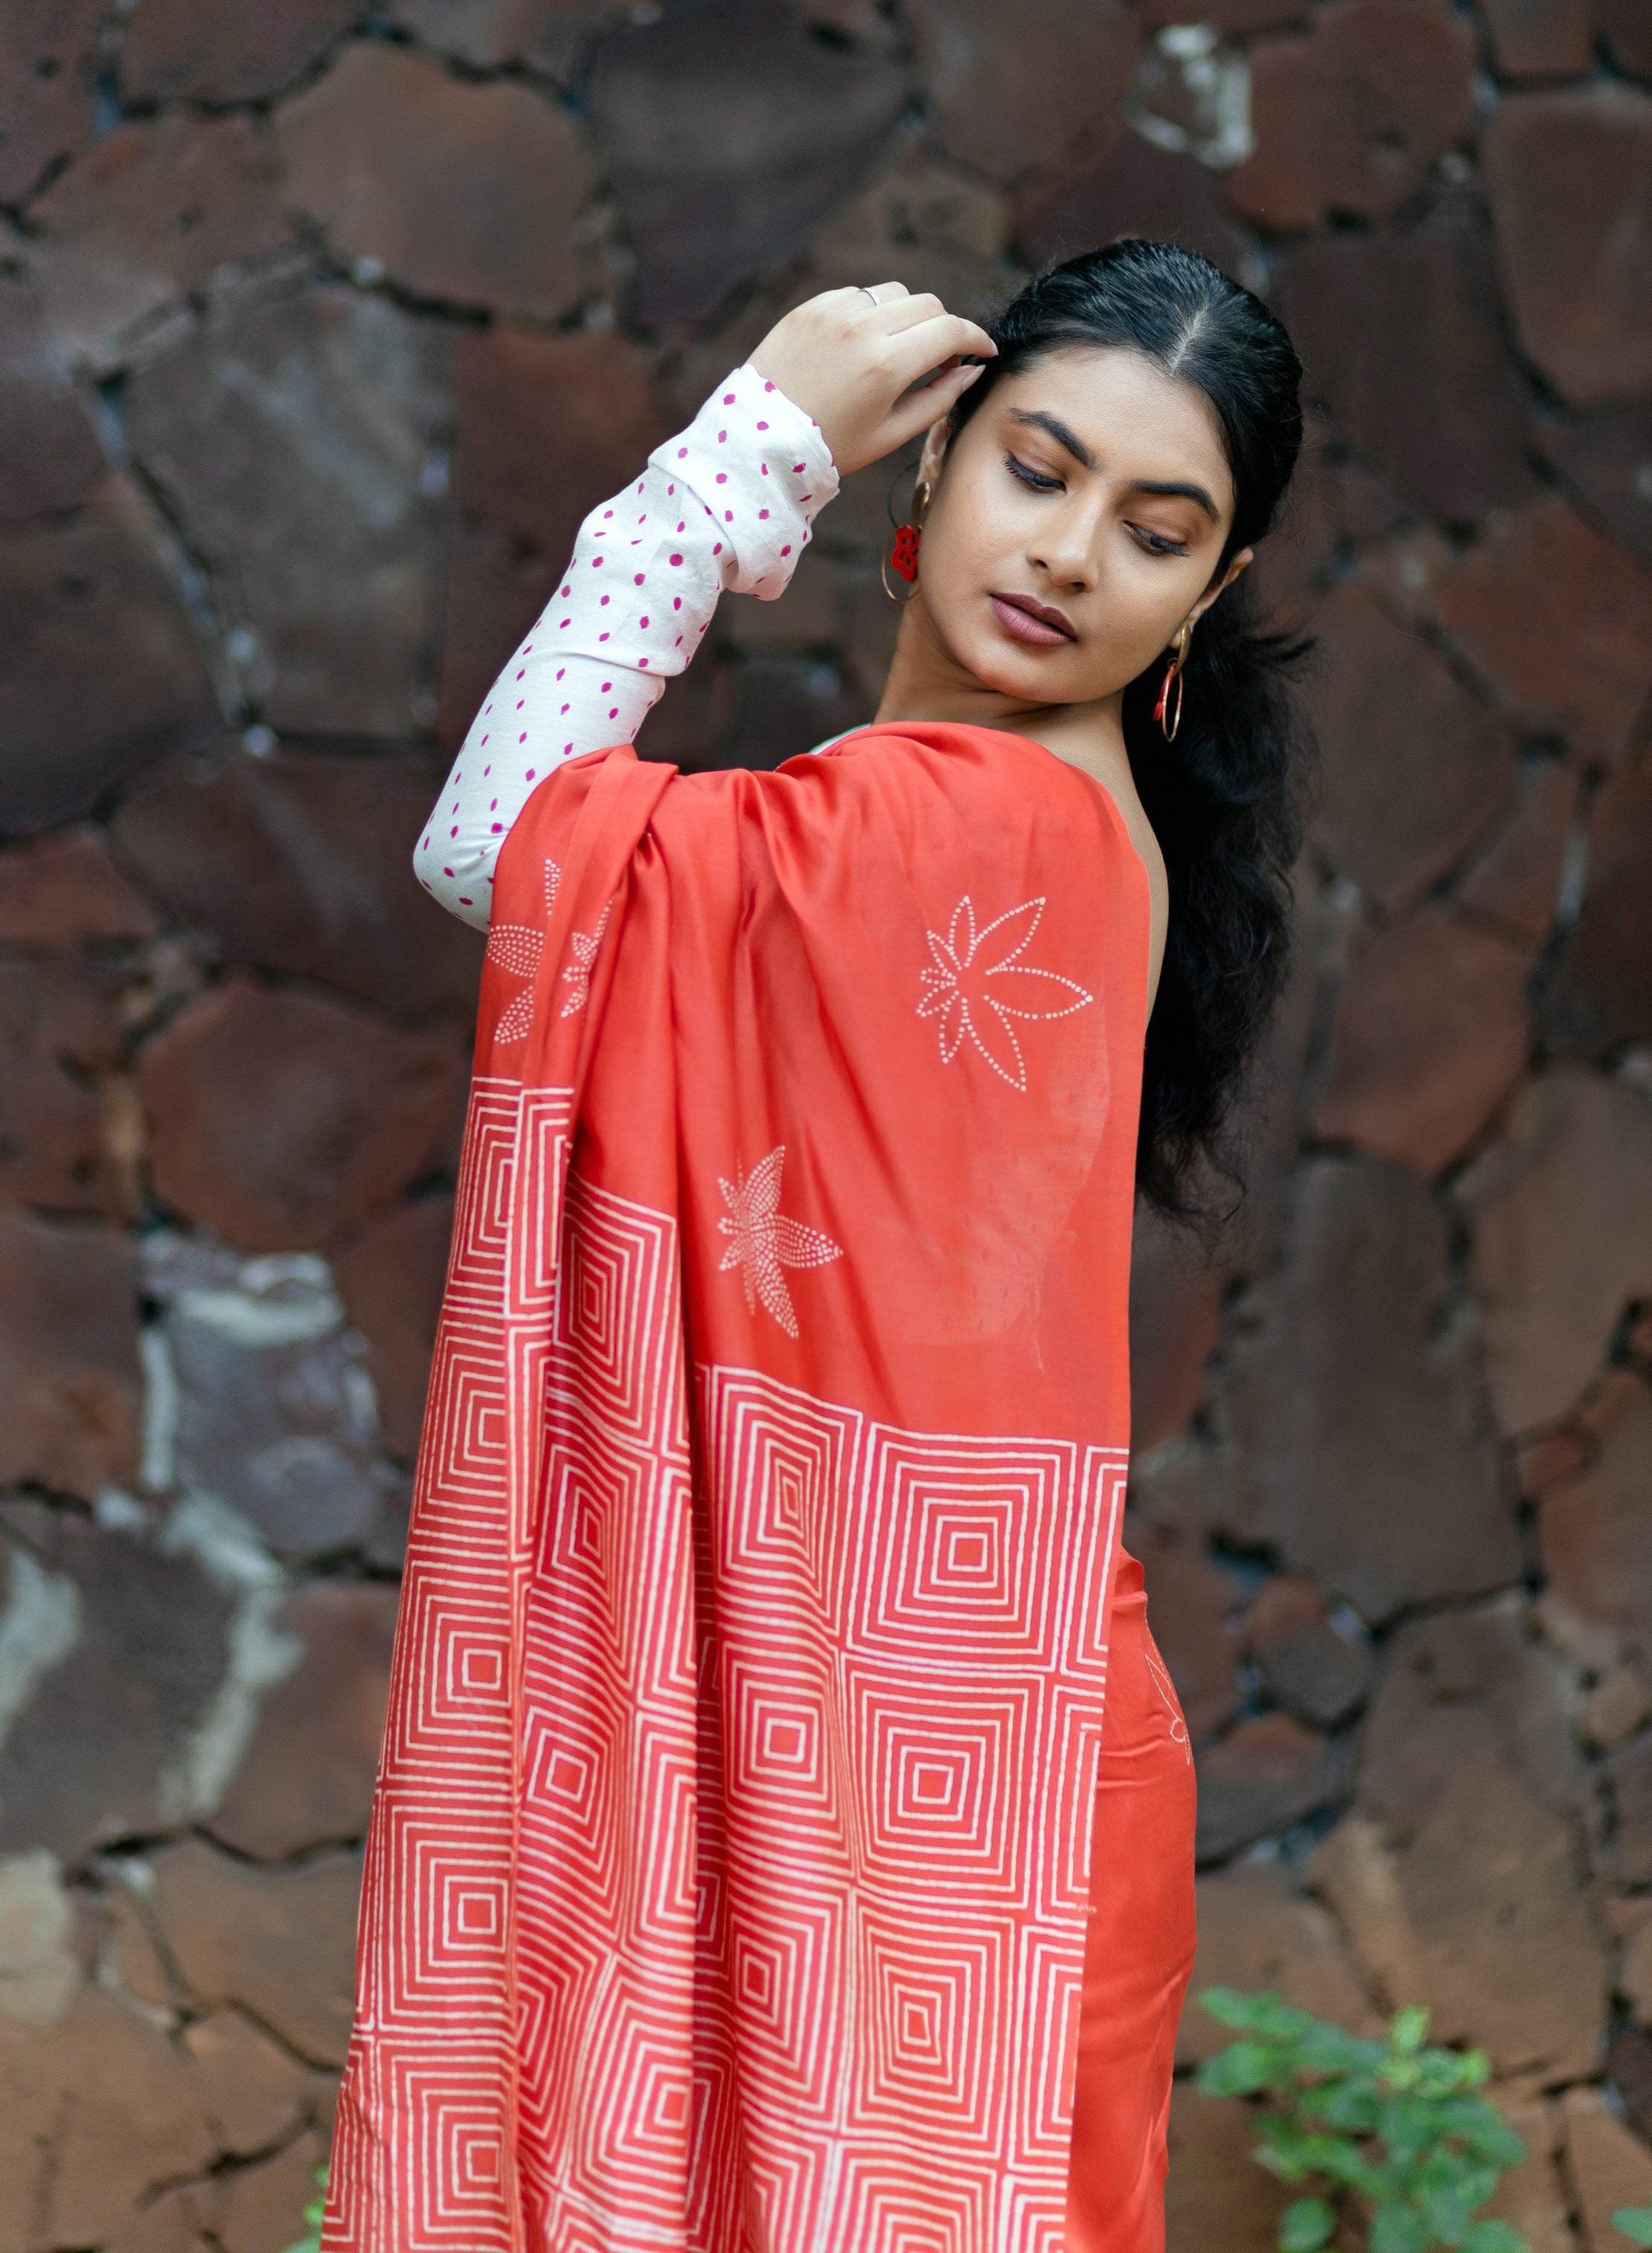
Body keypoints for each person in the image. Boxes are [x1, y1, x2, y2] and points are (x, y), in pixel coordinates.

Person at [325, 241, 1308, 2253]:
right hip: (951, 1737)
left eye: (1157, 529)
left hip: (945, 1786)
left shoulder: (984, 830)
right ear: (934, 472)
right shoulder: (1006, 813)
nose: (1070, 554)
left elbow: (491, 842)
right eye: (1037, 469)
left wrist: (741, 452)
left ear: (1203, 602)